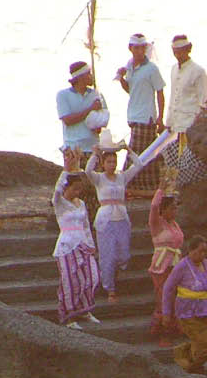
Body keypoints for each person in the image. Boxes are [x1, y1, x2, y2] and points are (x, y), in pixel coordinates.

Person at [84, 140, 145, 302]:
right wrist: (95, 154)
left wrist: (128, 150)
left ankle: (113, 274)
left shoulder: (122, 177)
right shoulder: (99, 179)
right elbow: (88, 170)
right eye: (109, 161)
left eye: (114, 161)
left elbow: (138, 165)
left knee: (123, 254)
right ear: (103, 164)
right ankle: (110, 288)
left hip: (121, 218)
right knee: (107, 254)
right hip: (105, 220)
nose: (112, 164)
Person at [161, 235, 207, 373]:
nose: (203, 255)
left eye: (205, 252)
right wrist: (166, 313)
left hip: (205, 310)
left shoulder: (205, 263)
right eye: (200, 251)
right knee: (203, 344)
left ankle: (185, 358)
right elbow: (168, 288)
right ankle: (192, 369)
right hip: (188, 311)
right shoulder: (182, 266)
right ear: (191, 250)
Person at [51, 162, 100, 329]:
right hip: (67, 244)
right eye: (74, 189)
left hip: (82, 243)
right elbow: (57, 191)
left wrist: (91, 244)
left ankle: (84, 309)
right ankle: (69, 315)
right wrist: (65, 170)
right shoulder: (60, 203)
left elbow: (86, 225)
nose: (77, 192)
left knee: (91, 276)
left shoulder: (82, 204)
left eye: (79, 189)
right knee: (70, 279)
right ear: (68, 187)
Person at [116, 34, 166, 194]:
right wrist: (122, 79)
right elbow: (131, 90)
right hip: (133, 115)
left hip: (146, 116)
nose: (139, 51)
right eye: (136, 48)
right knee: (146, 155)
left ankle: (127, 184)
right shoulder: (130, 66)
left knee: (136, 153)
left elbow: (160, 92)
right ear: (130, 49)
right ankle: (147, 187)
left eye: (142, 48)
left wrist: (160, 117)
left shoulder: (151, 68)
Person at [147, 183, 184, 344]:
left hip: (175, 265)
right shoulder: (157, 223)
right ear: (165, 209)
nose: (175, 211)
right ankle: (163, 333)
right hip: (161, 266)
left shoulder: (174, 224)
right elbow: (154, 206)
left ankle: (174, 328)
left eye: (176, 208)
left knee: (176, 297)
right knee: (164, 299)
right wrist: (160, 189)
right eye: (172, 208)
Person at [165, 35, 207, 139]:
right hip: (175, 125)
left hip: (190, 126)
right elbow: (173, 96)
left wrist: (200, 126)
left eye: (181, 51)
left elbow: (205, 100)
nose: (178, 55)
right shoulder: (174, 69)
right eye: (175, 52)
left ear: (188, 50)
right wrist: (169, 120)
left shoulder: (198, 71)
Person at [57, 61, 105, 155]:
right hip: (74, 148)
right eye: (88, 74)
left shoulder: (96, 95)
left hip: (94, 147)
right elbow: (67, 120)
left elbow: (100, 124)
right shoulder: (63, 95)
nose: (91, 76)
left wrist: (97, 122)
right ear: (80, 77)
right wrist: (91, 109)